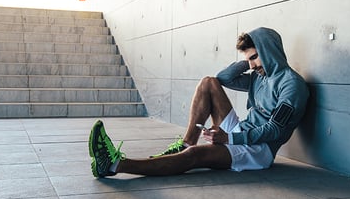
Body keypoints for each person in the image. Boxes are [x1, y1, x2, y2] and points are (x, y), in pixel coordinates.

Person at [88, 27, 309, 178]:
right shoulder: (259, 76)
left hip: (258, 150)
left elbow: (274, 130)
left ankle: (115, 165)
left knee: (194, 158)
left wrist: (230, 137)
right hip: (243, 131)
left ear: (270, 52)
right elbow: (223, 78)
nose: (251, 66)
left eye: (254, 58)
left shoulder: (292, 85)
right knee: (208, 83)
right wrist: (246, 62)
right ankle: (186, 142)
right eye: (248, 59)